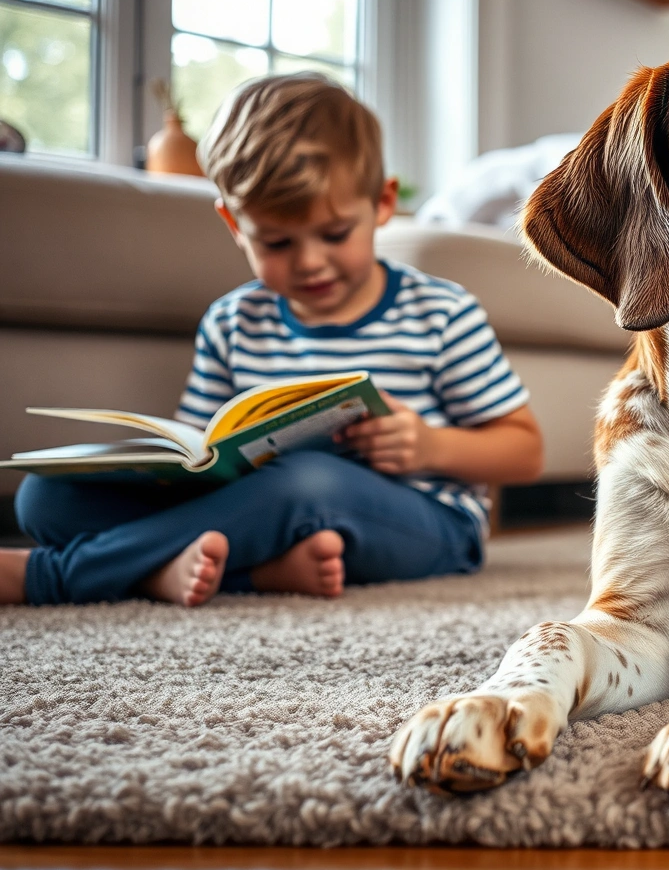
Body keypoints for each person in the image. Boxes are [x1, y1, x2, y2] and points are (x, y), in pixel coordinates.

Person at [0, 74, 544, 606]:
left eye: (335, 234)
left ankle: (54, 577)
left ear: (382, 203)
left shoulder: (441, 312)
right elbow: (198, 450)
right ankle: (245, 574)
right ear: (234, 225)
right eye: (277, 242)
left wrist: (429, 445)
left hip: (426, 523)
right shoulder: (233, 320)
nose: (310, 262)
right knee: (44, 499)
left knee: (307, 482)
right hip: (269, 511)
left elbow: (526, 452)